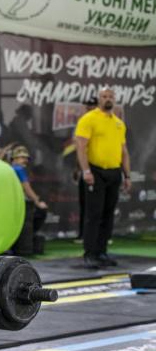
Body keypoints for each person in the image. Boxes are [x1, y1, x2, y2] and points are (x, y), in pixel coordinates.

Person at [75, 87, 131, 269]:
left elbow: (124, 151)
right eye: (104, 96)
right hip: (95, 172)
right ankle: (90, 253)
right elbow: (81, 147)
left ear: (115, 99)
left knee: (108, 214)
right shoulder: (88, 119)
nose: (108, 99)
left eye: (111, 96)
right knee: (94, 214)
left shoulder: (119, 123)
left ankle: (102, 252)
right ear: (99, 99)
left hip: (114, 173)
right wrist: (86, 171)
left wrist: (127, 175)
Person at [70, 97, 98, 242]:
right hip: (85, 169)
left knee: (98, 204)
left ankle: (98, 236)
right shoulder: (82, 123)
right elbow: (79, 149)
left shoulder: (101, 122)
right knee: (85, 203)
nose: (90, 109)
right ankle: (83, 235)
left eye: (92, 106)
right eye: (88, 107)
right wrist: (79, 168)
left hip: (98, 168)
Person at [10, 145, 48, 238]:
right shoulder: (19, 169)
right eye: (22, 157)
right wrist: (37, 202)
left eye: (26, 158)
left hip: (12, 203)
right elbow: (27, 188)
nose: (25, 160)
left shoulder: (10, 168)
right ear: (14, 158)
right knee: (41, 210)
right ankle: (30, 236)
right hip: (19, 203)